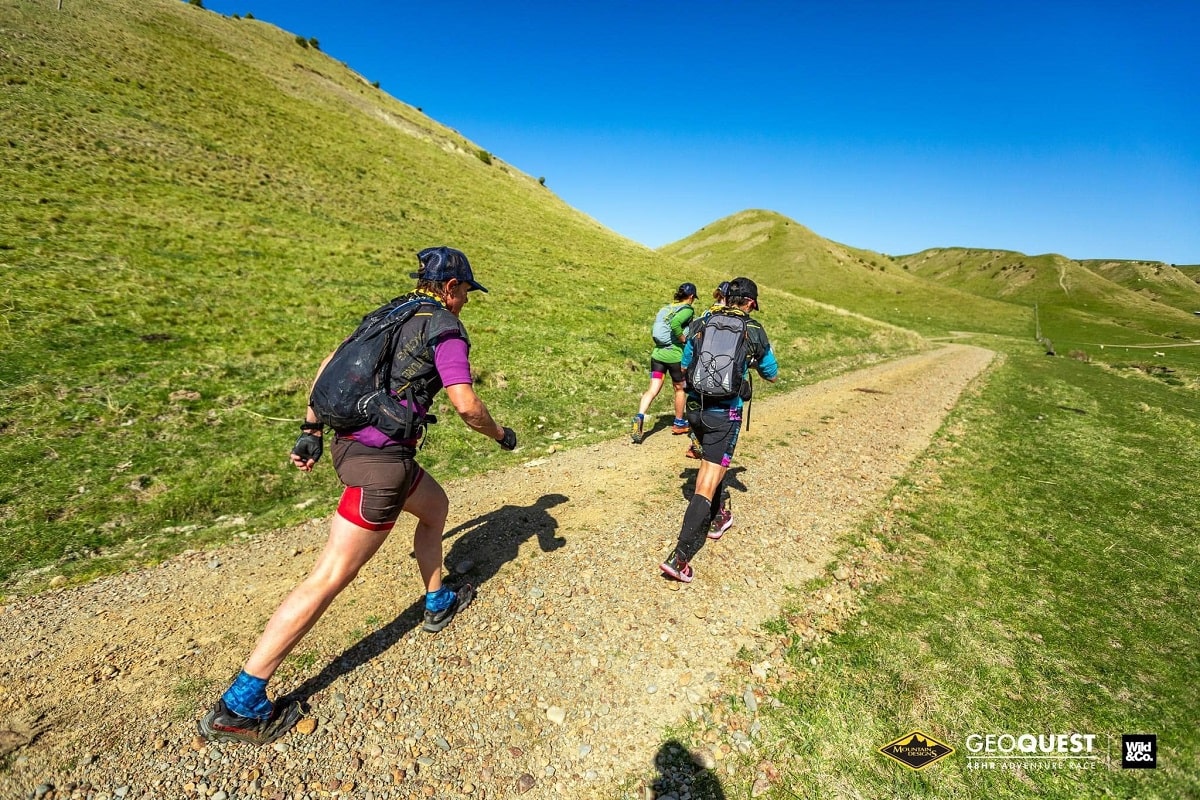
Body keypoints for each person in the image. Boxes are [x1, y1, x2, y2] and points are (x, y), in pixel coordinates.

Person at [198, 246, 517, 745]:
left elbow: (330, 364)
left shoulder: (390, 312)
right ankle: (240, 704)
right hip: (380, 468)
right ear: (452, 288)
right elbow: (466, 403)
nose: (466, 302)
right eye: (466, 293)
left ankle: (437, 599)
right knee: (327, 577)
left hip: (355, 448)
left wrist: (311, 430)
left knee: (436, 508)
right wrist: (500, 436)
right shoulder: (446, 328)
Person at [660, 277, 778, 583]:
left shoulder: (702, 321)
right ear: (751, 303)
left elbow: (685, 364)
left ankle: (720, 515)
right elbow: (772, 374)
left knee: (710, 466)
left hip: (694, 411)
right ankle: (679, 556)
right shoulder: (754, 330)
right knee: (706, 481)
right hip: (724, 414)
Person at [631, 282, 698, 443]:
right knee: (680, 388)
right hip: (675, 356)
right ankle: (679, 423)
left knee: (652, 389)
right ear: (690, 297)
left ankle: (639, 415)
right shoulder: (687, 309)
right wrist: (684, 340)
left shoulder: (666, 308)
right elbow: (675, 325)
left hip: (658, 355)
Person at [685, 281, 731, 460]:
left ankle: (696, 439)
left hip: (700, 362)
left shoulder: (706, 312)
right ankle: (707, 444)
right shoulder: (728, 315)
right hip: (721, 362)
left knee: (701, 403)